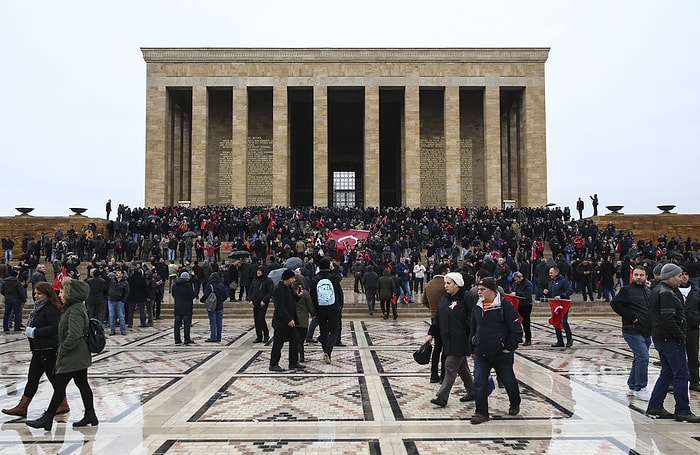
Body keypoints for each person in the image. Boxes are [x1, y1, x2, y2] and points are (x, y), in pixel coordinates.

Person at [26, 277, 98, 430]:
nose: (59, 294)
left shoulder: (76, 309)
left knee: (59, 386)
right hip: (77, 354)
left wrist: (62, 350)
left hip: (74, 354)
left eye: (63, 291)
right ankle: (90, 414)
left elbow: (74, 334)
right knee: (82, 384)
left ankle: (48, 418)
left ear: (72, 293)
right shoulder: (73, 307)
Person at [2, 282, 70, 418]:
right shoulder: (39, 307)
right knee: (32, 378)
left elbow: (54, 327)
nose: (35, 296)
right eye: (35, 293)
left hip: (48, 348)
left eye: (39, 293)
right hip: (39, 348)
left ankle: (63, 404)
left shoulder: (50, 307)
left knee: (53, 378)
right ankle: (22, 406)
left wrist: (35, 332)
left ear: (47, 294)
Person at [645, 263, 700, 422]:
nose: (680, 278)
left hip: (661, 338)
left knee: (667, 373)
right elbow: (668, 318)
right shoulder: (667, 293)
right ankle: (682, 410)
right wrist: (680, 335)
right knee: (682, 374)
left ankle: (655, 405)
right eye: (677, 275)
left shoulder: (658, 290)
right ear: (669, 277)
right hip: (670, 339)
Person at [469, 277, 523, 425]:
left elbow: (516, 330)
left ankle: (515, 402)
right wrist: (472, 347)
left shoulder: (505, 306)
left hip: (501, 353)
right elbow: (473, 328)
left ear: (492, 290)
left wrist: (508, 348)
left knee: (508, 381)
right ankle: (481, 413)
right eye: (478, 289)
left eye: (482, 289)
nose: (479, 292)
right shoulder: (478, 306)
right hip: (481, 352)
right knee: (479, 382)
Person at [424, 272, 476, 407]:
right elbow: (437, 318)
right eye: (445, 283)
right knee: (462, 368)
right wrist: (431, 333)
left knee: (450, 366)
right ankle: (473, 392)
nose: (446, 286)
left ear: (457, 284)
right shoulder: (444, 300)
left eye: (449, 283)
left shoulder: (466, 297)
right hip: (448, 339)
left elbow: (473, 315)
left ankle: (442, 397)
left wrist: (466, 329)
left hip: (461, 339)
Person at [610, 265, 652, 400]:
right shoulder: (627, 290)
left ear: (646, 277)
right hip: (632, 331)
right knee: (643, 357)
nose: (638, 277)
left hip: (646, 330)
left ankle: (632, 386)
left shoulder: (647, 290)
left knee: (638, 358)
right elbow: (615, 304)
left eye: (641, 275)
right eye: (636, 275)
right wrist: (631, 317)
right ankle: (641, 387)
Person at [269, 269, 304, 372]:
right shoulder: (278, 289)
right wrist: (288, 319)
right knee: (278, 343)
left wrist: (297, 296)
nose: (294, 280)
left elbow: (291, 302)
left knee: (295, 341)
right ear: (288, 278)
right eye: (292, 278)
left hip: (290, 321)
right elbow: (280, 307)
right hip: (282, 322)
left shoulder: (288, 288)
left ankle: (293, 362)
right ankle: (273, 364)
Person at [311, 257, 343, 364]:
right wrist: (333, 269)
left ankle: (325, 350)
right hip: (333, 307)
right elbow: (340, 277)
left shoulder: (315, 279)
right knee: (334, 331)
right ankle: (328, 352)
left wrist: (314, 310)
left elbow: (312, 295)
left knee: (323, 331)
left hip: (320, 308)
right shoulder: (333, 277)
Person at [421, 263, 448, 383]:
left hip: (433, 318)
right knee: (445, 347)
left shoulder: (429, 284)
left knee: (437, 347)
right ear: (443, 273)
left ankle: (433, 374)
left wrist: (432, 308)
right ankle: (443, 375)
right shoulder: (446, 284)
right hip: (446, 318)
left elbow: (424, 301)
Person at [678, 267, 700, 392]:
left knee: (693, 356)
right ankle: (674, 381)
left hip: (692, 328)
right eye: (682, 274)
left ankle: (694, 380)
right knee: (676, 356)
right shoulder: (672, 291)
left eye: (686, 274)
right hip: (677, 328)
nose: (684, 277)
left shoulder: (696, 291)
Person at [544, 267, 574, 347]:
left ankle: (569, 339)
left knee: (563, 321)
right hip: (555, 305)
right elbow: (551, 293)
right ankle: (560, 341)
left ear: (556, 273)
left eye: (551, 273)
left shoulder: (563, 281)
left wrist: (561, 296)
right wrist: (547, 293)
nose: (550, 274)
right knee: (556, 321)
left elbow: (570, 291)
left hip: (563, 304)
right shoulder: (551, 282)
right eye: (549, 273)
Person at [248, 265, 274, 343]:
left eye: (260, 270)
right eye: (257, 270)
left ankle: (266, 335)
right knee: (256, 319)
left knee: (261, 318)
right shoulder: (255, 280)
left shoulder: (268, 280)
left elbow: (270, 292)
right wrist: (250, 300)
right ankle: (259, 336)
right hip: (255, 301)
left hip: (263, 302)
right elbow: (251, 290)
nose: (258, 272)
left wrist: (264, 300)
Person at [201, 271, 228, 342]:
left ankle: (213, 336)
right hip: (220, 306)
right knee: (219, 322)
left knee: (213, 322)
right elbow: (225, 296)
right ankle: (219, 336)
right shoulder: (222, 285)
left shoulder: (210, 285)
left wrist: (202, 300)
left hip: (212, 306)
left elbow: (206, 295)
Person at [510, 271, 534, 346]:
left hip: (526, 305)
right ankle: (518, 337)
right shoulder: (515, 284)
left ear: (521, 277)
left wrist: (517, 293)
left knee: (526, 322)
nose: (516, 281)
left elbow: (527, 294)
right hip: (517, 305)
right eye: (515, 280)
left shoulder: (527, 284)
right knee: (516, 322)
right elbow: (512, 290)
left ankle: (528, 339)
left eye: (517, 279)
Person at [171, 271, 195, 345]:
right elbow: (192, 295)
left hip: (178, 307)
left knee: (177, 324)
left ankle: (177, 339)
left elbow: (173, 295)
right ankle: (187, 339)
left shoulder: (174, 285)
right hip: (187, 308)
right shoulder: (187, 285)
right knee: (186, 324)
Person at [106, 268, 129, 336]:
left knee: (121, 316)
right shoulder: (112, 281)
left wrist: (123, 300)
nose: (117, 274)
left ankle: (123, 330)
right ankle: (112, 330)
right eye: (116, 272)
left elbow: (127, 292)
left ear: (122, 274)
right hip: (111, 300)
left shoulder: (125, 283)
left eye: (119, 272)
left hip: (119, 301)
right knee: (112, 316)